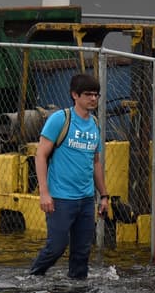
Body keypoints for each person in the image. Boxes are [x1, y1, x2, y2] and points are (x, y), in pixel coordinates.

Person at [28, 73, 109, 280]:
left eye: (96, 94)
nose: (93, 98)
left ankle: (77, 291)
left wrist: (104, 196)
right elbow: (40, 155)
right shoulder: (60, 119)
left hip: (86, 199)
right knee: (56, 247)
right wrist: (44, 193)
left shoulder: (95, 124)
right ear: (75, 95)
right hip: (61, 198)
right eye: (88, 94)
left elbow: (96, 162)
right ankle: (32, 278)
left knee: (82, 253)